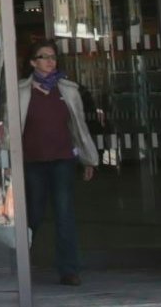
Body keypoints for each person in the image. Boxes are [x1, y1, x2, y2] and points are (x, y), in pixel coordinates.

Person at [14, 41, 100, 287]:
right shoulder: (21, 91)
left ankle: (69, 270)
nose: (51, 61)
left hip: (62, 160)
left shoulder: (68, 90)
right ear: (33, 62)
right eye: (44, 57)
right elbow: (12, 130)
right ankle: (20, 266)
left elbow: (79, 128)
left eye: (53, 57)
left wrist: (88, 159)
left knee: (65, 215)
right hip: (33, 163)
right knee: (33, 215)